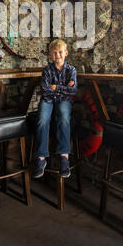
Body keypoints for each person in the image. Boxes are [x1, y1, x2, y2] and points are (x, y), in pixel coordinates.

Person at [32, 39, 77, 179]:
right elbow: (45, 92)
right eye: (54, 53)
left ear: (66, 53)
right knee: (42, 119)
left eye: (60, 52)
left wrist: (56, 88)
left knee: (64, 117)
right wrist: (65, 88)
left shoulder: (71, 70)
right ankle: (41, 158)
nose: (58, 55)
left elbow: (73, 91)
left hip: (64, 101)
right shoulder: (47, 70)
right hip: (48, 101)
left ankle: (64, 157)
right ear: (51, 55)